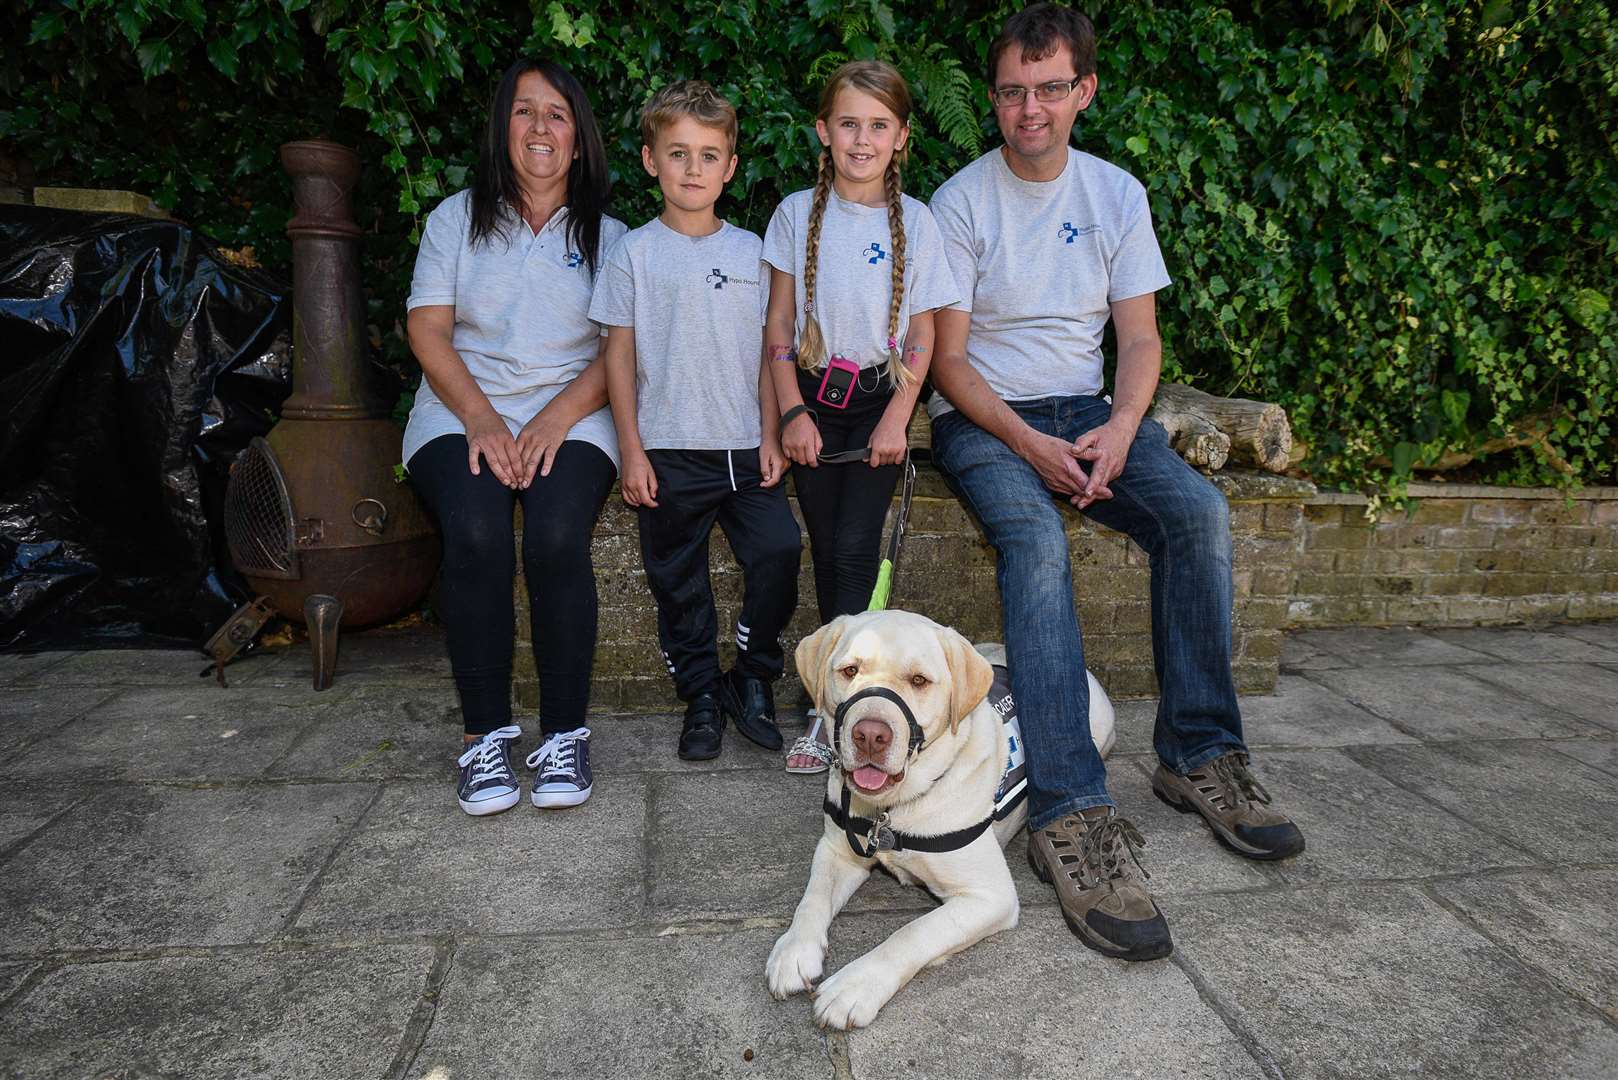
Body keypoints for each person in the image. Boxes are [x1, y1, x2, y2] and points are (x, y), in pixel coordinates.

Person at [927, 3, 1305, 961]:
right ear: (995, 97)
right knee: (1037, 543)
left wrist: (1119, 427)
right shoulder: (959, 202)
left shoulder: (1115, 194)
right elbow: (951, 366)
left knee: (1201, 516)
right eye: (1012, 91)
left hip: (1093, 413)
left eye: (1050, 89)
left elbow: (1139, 339)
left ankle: (1199, 753)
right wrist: (1031, 444)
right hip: (986, 421)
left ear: (1083, 91)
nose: (1029, 110)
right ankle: (1070, 817)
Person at [404, 58, 627, 817]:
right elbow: (428, 330)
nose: (540, 128)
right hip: (461, 405)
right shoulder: (454, 219)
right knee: (475, 533)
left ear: (579, 135)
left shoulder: (612, 235)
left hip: (576, 409)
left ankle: (564, 735)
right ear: (502, 126)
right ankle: (485, 738)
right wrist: (483, 419)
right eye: (524, 111)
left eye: (557, 114)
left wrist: (555, 420)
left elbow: (617, 354)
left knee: (557, 537)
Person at [591, 80, 802, 762]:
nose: (692, 169)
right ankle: (702, 695)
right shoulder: (633, 254)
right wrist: (631, 448)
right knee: (677, 583)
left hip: (745, 445)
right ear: (651, 160)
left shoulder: (753, 252)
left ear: (730, 167)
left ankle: (753, 678)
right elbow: (617, 353)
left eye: (708, 155)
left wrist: (772, 433)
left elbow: (770, 350)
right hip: (669, 447)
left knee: (778, 552)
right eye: (677, 153)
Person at [762, 60, 960, 774]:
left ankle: (836, 720)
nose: (862, 138)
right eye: (848, 123)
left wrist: (898, 419)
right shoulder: (795, 215)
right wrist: (791, 412)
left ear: (901, 137)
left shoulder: (921, 222)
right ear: (824, 131)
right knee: (822, 545)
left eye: (878, 125)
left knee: (854, 550)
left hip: (881, 401)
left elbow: (924, 336)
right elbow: (780, 323)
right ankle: (832, 702)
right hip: (816, 399)